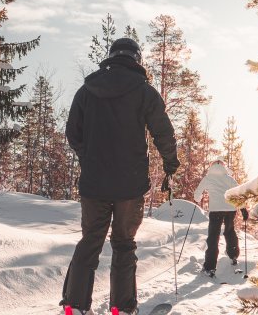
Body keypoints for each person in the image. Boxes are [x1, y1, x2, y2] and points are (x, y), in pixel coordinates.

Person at [61, 37, 179, 315]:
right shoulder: (144, 91)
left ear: (111, 56)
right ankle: (122, 308)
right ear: (137, 59)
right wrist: (170, 165)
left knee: (90, 241)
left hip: (94, 184)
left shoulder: (86, 90)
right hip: (130, 185)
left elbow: (72, 132)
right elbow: (163, 132)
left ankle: (74, 307)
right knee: (124, 244)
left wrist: (88, 157)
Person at [193, 160, 249, 277]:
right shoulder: (228, 178)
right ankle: (233, 255)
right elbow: (238, 193)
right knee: (229, 231)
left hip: (216, 210)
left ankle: (210, 266)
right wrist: (243, 209)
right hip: (230, 209)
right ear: (224, 167)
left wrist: (198, 198)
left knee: (213, 236)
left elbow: (197, 195)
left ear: (211, 167)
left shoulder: (208, 178)